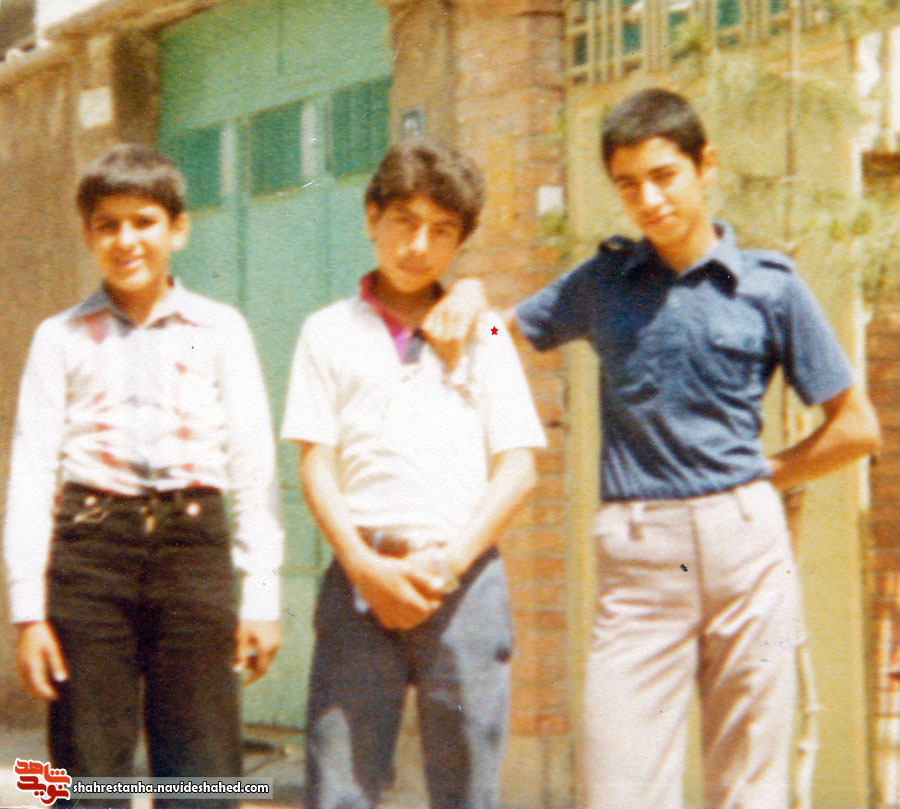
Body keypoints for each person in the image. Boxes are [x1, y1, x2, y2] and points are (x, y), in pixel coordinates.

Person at [423, 88, 881, 809]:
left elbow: (856, 428)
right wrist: (474, 298)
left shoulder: (769, 287)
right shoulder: (605, 283)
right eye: (629, 184)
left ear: (706, 166)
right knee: (620, 779)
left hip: (747, 549)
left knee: (749, 777)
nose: (649, 200)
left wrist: (764, 475)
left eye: (664, 176)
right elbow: (506, 332)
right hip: (642, 556)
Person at [3, 144, 284, 806]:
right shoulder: (60, 338)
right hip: (89, 559)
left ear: (178, 229)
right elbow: (31, 475)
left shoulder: (220, 330)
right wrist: (28, 613)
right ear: (87, 235)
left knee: (201, 773)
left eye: (144, 221)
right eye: (108, 225)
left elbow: (253, 467)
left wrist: (263, 596)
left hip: (194, 554)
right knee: (89, 772)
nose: (126, 240)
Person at [281, 141, 545, 809]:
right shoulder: (326, 331)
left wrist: (447, 565)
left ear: (461, 239)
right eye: (404, 221)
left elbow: (518, 466)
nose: (419, 245)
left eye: (442, 229)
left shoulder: (483, 331)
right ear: (372, 217)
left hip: (464, 581)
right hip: (360, 577)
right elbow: (315, 463)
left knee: (468, 786)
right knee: (340, 785)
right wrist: (364, 565)